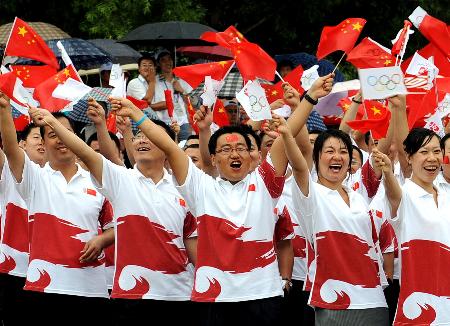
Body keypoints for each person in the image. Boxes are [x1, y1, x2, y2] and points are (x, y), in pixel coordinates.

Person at [107, 73, 334, 326]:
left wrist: (311, 96)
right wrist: (137, 114)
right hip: (213, 298)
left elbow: (286, 135)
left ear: (252, 155)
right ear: (213, 159)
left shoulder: (265, 184)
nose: (234, 153)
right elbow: (170, 148)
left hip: (262, 295)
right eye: (225, 149)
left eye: (240, 148)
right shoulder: (201, 188)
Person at [27, 97, 197, 325]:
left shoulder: (185, 188)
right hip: (129, 296)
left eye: (150, 136)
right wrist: (54, 124)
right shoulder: (121, 180)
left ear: (169, 147)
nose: (142, 140)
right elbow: (87, 154)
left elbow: (193, 246)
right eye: (138, 136)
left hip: (179, 295)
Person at [0, 93, 114, 326]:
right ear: (43, 142)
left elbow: (116, 227)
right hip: (44, 287)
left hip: (91, 288)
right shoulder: (35, 178)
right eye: (53, 134)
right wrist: (4, 110)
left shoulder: (98, 180)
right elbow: (12, 150)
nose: (61, 140)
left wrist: (102, 240)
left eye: (66, 134)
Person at [288, 111, 389, 323]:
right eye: (330, 151)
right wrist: (287, 134)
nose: (337, 157)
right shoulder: (310, 195)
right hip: (333, 299)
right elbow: (299, 166)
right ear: (316, 158)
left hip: (373, 297)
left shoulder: (358, 197)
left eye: (343, 151)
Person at [374, 127, 450, 325]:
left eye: (436, 151)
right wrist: (388, 173)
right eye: (424, 152)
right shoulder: (405, 196)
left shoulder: (446, 195)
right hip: (420, 306)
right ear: (409, 157)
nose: (432, 158)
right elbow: (393, 194)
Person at [0, 122, 46, 325]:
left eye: (46, 137)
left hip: (49, 274)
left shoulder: (62, 179)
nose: (42, 142)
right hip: (12, 270)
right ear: (21, 144)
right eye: (36, 137)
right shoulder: (8, 172)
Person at [154, 50, 192, 141]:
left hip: (183, 122)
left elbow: (191, 102)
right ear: (158, 64)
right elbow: (152, 104)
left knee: (185, 149)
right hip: (165, 124)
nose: (168, 62)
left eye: (169, 59)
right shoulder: (154, 82)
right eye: (163, 60)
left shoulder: (181, 79)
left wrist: (182, 91)